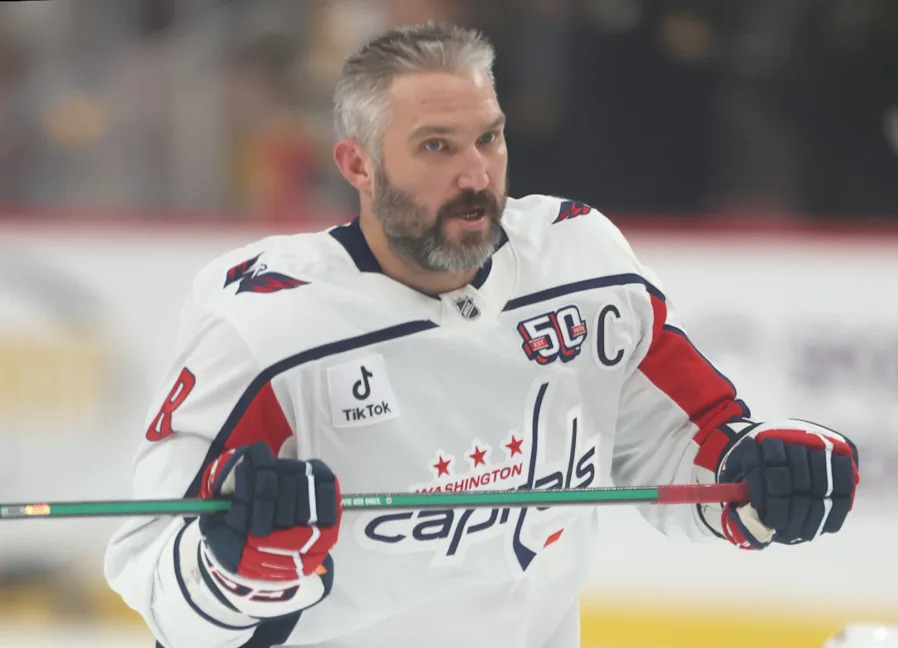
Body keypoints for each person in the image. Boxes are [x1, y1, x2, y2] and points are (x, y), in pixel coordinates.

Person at [104, 22, 860, 648]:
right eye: (436, 147)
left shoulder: (581, 263)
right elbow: (153, 572)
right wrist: (234, 570)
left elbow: (689, 443)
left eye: (489, 141)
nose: (476, 176)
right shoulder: (267, 329)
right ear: (358, 165)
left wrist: (763, 477)